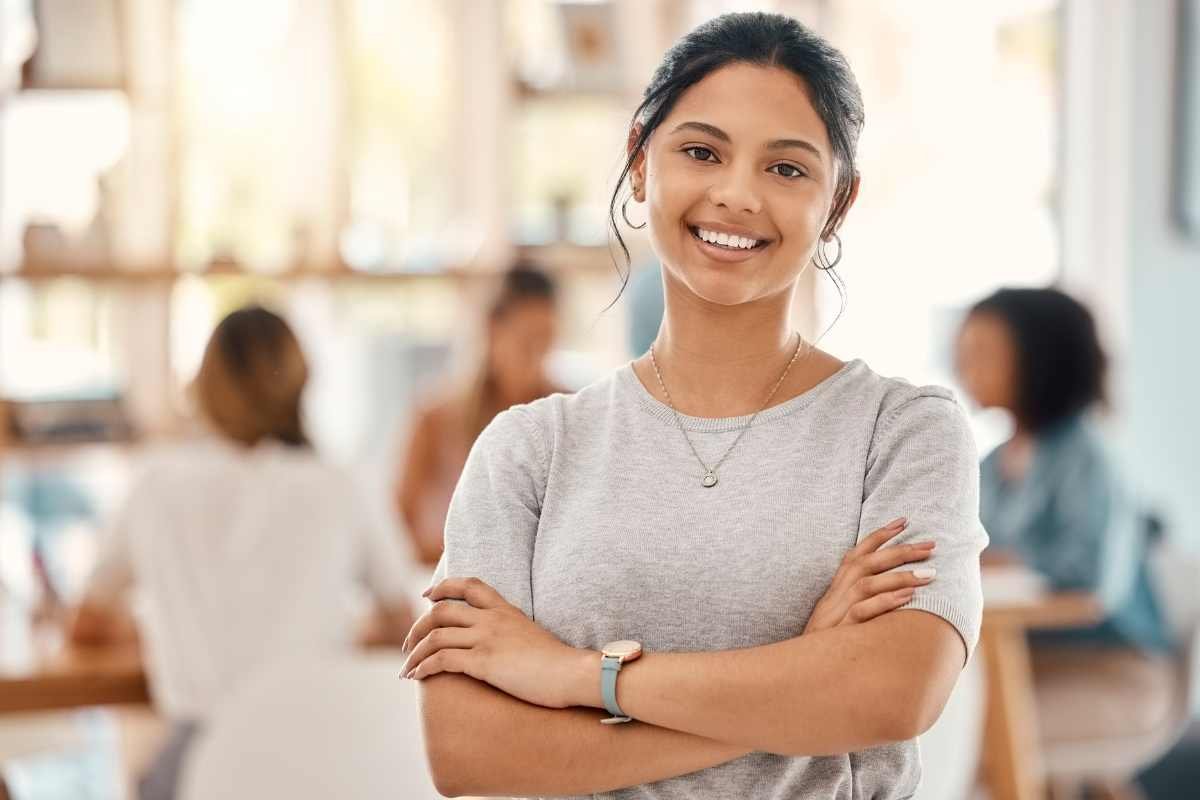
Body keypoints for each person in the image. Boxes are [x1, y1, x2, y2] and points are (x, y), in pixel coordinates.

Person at [400, 13, 988, 799]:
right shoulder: (529, 448)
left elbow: (893, 694)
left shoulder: (905, 431)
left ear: (837, 202)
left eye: (787, 169)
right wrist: (801, 679)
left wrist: (574, 676)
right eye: (701, 152)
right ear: (641, 164)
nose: (737, 194)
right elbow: (468, 751)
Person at [67, 306, 415, 800]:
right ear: (301, 382)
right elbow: (406, 622)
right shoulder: (340, 485)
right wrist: (331, 631)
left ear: (205, 387)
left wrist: (165, 625)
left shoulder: (156, 483)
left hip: (200, 764)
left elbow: (87, 623)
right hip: (320, 761)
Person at [956, 287, 1170, 653]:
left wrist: (997, 560)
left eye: (983, 353)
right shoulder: (991, 463)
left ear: (1038, 358)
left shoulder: (1085, 455)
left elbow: (1089, 575)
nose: (965, 369)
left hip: (1109, 662)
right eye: (962, 353)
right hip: (1019, 661)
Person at [394, 264, 562, 566]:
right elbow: (397, 527)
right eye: (526, 342)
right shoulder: (435, 420)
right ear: (491, 330)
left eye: (546, 341)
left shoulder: (566, 416)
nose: (537, 358)